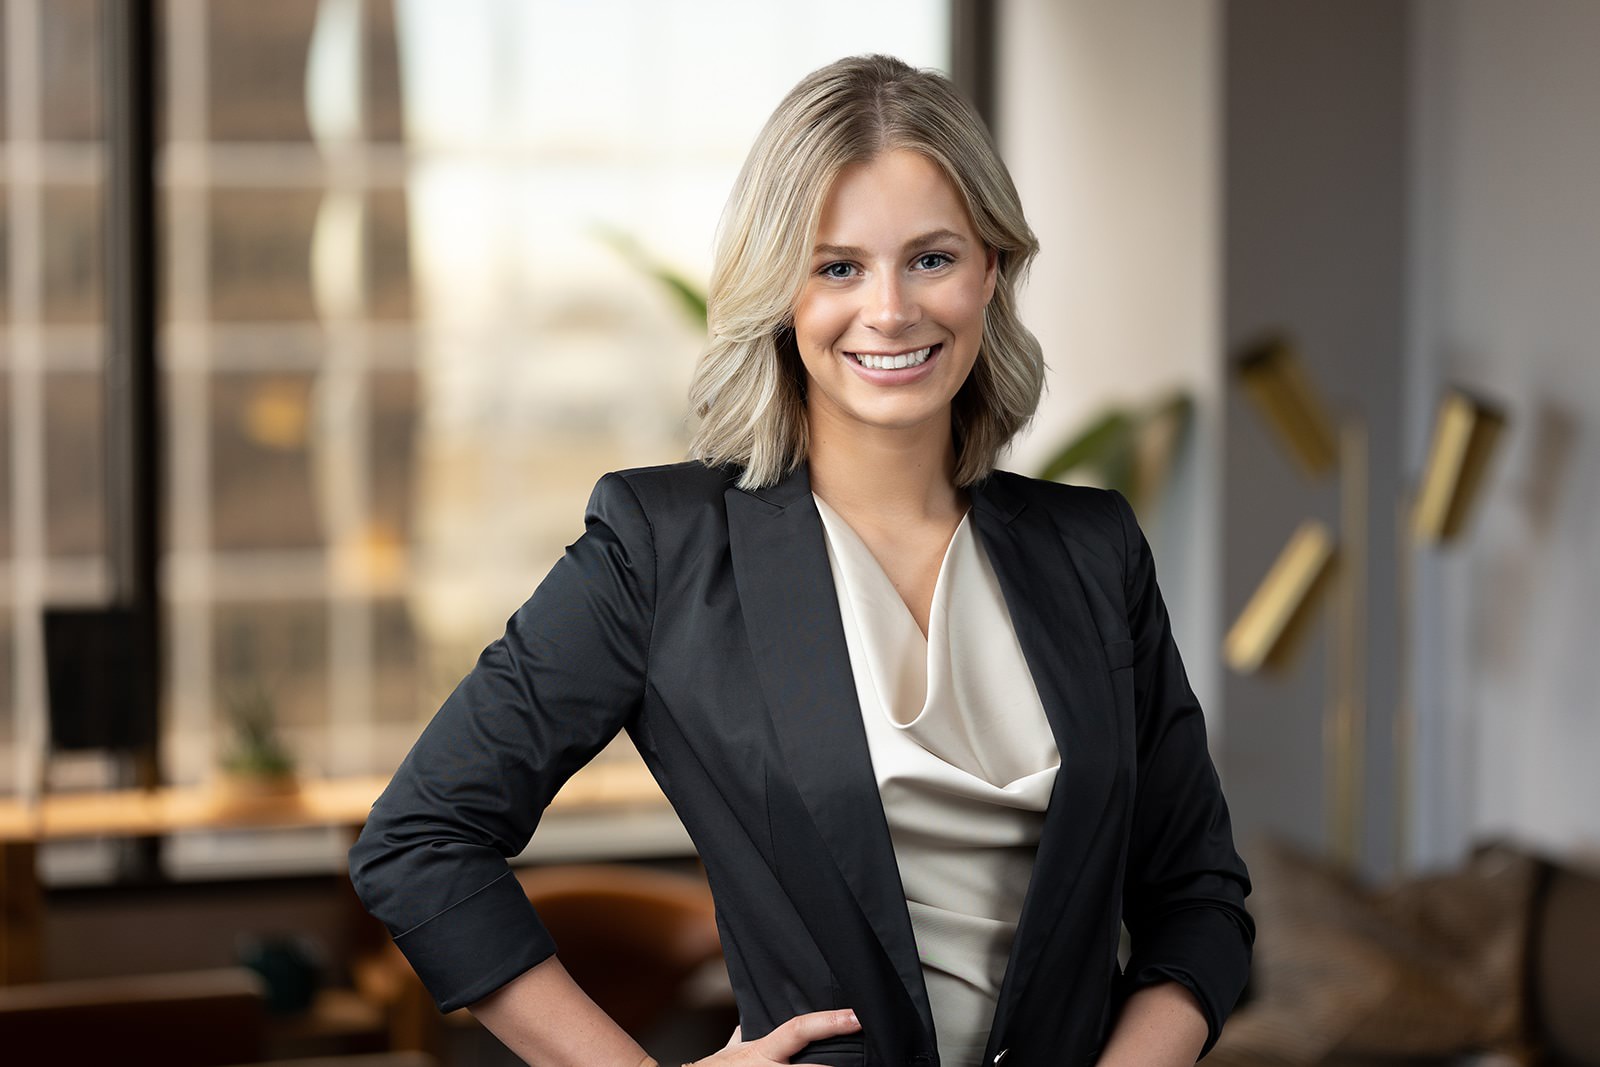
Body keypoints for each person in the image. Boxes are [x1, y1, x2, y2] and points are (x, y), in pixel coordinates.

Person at [348, 54, 1253, 1067]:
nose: (890, 310)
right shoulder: (664, 547)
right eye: (837, 266)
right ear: (781, 290)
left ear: (991, 268)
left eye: (931, 258)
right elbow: (420, 837)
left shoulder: (1092, 551)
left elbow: (1199, 899)